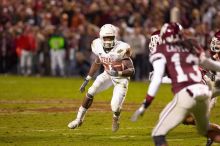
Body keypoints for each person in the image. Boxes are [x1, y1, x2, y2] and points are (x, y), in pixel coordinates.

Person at [135, 23, 220, 146]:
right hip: (204, 87)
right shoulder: (189, 46)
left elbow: (163, 77)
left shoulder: (163, 52)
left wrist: (146, 102)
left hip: (190, 90)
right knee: (193, 122)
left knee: (159, 132)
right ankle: (211, 132)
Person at [67, 24, 135, 132]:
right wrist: (87, 79)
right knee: (90, 92)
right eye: (106, 38)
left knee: (115, 107)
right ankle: (79, 119)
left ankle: (115, 118)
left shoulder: (122, 48)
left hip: (120, 78)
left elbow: (131, 71)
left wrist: (119, 73)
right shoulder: (96, 45)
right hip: (107, 74)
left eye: (110, 38)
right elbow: (98, 61)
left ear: (115, 37)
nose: (108, 40)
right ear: (101, 37)